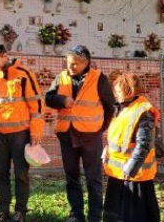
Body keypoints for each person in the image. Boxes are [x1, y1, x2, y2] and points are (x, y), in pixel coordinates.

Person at [45, 45, 115, 222]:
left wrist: (101, 128)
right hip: (67, 135)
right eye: (68, 63)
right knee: (71, 178)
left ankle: (94, 216)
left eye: (75, 64)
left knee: (94, 179)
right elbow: (48, 98)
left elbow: (110, 106)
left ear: (86, 63)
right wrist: (61, 100)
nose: (70, 67)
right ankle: (76, 214)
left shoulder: (99, 79)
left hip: (91, 136)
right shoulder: (61, 77)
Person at [0, 43, 45, 222]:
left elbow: (37, 106)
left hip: (21, 133)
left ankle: (20, 212)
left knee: (21, 174)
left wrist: (35, 133)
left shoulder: (24, 75)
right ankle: (3, 210)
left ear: (5, 55)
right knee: (1, 173)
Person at [102, 72, 160, 222]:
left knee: (133, 216)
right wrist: (107, 150)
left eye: (120, 90)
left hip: (133, 175)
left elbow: (144, 144)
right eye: (116, 90)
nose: (116, 93)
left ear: (130, 91)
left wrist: (131, 168)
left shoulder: (142, 111)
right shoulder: (121, 108)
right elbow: (118, 136)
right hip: (118, 173)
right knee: (116, 215)